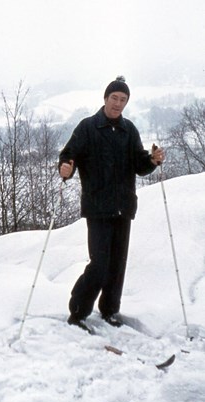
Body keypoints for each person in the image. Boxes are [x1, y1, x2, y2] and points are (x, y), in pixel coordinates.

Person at [59, 76, 165, 329]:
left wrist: (152, 160)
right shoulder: (88, 127)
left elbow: (140, 164)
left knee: (117, 264)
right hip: (98, 207)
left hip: (124, 206)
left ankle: (109, 311)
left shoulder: (130, 130)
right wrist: (65, 168)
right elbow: (68, 155)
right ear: (105, 98)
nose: (118, 103)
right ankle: (78, 312)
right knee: (100, 264)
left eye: (123, 99)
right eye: (114, 98)